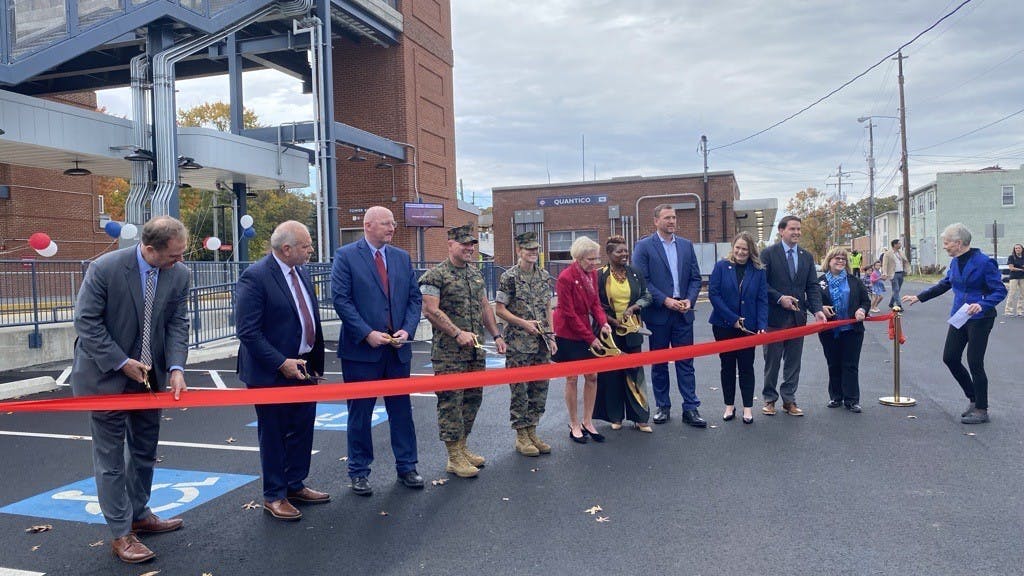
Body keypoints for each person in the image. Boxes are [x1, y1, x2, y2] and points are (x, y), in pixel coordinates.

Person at [71, 216, 190, 564]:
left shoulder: (179, 274)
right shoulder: (105, 269)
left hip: (149, 381)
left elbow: (177, 323)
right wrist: (122, 362)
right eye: (173, 255)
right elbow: (86, 323)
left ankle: (140, 513)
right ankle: (122, 534)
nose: (179, 261)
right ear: (150, 249)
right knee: (110, 459)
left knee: (143, 451)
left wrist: (178, 368)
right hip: (106, 376)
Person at [236, 220, 330, 521]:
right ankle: (275, 494)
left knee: (302, 428)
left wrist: (312, 363)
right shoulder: (256, 277)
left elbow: (308, 317)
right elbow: (248, 332)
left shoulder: (301, 273)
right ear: (286, 248)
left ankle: (295, 484)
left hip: (304, 369)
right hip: (271, 372)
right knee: (274, 433)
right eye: (306, 246)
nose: (311, 250)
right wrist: (281, 362)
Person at [331, 206, 423, 495]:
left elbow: (413, 299)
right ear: (368, 225)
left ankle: (407, 467)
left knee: (401, 412)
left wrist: (407, 330)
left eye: (393, 223)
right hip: (362, 352)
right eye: (385, 223)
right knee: (360, 413)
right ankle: (359, 471)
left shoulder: (401, 258)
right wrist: (366, 333)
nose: (391, 228)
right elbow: (341, 300)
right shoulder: (346, 256)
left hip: (397, 350)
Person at [420, 224, 507, 477]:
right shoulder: (435, 276)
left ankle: (462, 445)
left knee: (472, 399)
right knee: (451, 402)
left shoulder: (475, 275)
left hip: (475, 352)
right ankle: (453, 456)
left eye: (472, 245)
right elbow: (430, 311)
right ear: (450, 244)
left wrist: (497, 335)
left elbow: (485, 308)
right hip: (449, 354)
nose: (469, 249)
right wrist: (457, 333)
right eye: (464, 244)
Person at [903, 223, 1006, 424]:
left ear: (959, 243)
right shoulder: (955, 262)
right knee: (950, 357)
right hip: (961, 315)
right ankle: (973, 397)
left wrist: (982, 304)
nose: (945, 246)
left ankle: (981, 409)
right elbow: (944, 284)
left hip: (980, 318)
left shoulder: (984, 262)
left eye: (947, 243)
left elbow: (1000, 290)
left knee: (975, 361)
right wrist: (920, 297)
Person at [631, 204, 706, 427]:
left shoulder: (686, 245)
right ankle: (663, 406)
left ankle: (691, 408)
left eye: (673, 217)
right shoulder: (644, 247)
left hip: (683, 315)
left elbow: (695, 278)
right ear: (656, 221)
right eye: (667, 218)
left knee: (686, 363)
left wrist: (689, 300)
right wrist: (665, 300)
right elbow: (641, 280)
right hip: (658, 314)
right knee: (659, 363)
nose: (672, 221)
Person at [495, 231, 557, 456]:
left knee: (540, 387)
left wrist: (550, 335)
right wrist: (523, 323)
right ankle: (521, 435)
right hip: (519, 343)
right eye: (528, 249)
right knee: (520, 389)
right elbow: (499, 309)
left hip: (541, 342)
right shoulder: (509, 277)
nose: (533, 252)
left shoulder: (543, 276)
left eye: (535, 249)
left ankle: (533, 431)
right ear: (519, 251)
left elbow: (548, 307)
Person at [760, 215, 827, 416]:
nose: (797, 232)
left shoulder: (806, 257)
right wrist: (780, 298)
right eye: (792, 229)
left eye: (799, 229)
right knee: (772, 361)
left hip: (798, 319)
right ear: (781, 231)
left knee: (793, 362)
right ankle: (769, 399)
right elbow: (761, 284)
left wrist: (817, 310)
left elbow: (812, 287)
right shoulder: (768, 254)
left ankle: (789, 400)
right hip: (774, 318)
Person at [553, 235, 612, 443]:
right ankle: (574, 422)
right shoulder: (565, 278)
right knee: (572, 378)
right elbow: (569, 313)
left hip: (585, 329)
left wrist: (603, 323)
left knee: (592, 375)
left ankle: (588, 421)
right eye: (590, 259)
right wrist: (590, 338)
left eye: (596, 259)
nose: (595, 263)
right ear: (578, 258)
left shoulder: (593, 275)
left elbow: (595, 303)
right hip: (568, 332)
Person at [594, 235, 654, 433]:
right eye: (619, 251)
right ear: (609, 254)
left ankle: (640, 418)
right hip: (609, 332)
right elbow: (594, 304)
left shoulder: (635, 273)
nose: (624, 254)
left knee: (635, 372)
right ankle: (615, 416)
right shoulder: (600, 275)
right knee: (611, 375)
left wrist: (635, 307)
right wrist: (610, 320)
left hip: (632, 330)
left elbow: (647, 296)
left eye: (626, 251)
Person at [708, 232, 768, 424]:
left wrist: (762, 325)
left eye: (745, 249)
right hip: (724, 325)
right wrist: (733, 319)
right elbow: (714, 295)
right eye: (738, 247)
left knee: (746, 367)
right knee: (727, 366)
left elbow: (762, 299)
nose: (741, 252)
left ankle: (748, 408)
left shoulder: (758, 271)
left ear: (751, 251)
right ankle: (729, 406)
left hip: (748, 328)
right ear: (733, 247)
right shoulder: (721, 267)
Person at [817, 247, 872, 413]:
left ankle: (852, 399)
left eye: (843, 259)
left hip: (852, 330)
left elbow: (865, 301)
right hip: (829, 331)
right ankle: (836, 397)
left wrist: (862, 310)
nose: (840, 261)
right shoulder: (820, 282)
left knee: (850, 364)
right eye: (837, 258)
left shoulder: (854, 281)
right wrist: (820, 307)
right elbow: (811, 301)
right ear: (829, 260)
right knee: (833, 363)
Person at [882, 238, 910, 308]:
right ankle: (899, 305)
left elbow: (906, 262)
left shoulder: (901, 253)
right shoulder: (888, 254)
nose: (900, 245)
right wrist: (884, 273)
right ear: (895, 245)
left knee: (897, 290)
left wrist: (907, 270)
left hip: (901, 273)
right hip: (893, 274)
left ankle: (891, 303)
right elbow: (884, 264)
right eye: (899, 243)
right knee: (896, 289)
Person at [1005, 243, 1024, 317]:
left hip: (1022, 277)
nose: (1017, 249)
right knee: (1012, 293)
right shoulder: (1011, 257)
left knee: (1023, 294)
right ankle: (1008, 310)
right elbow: (1011, 268)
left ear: (1022, 249)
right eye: (1016, 248)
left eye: (1019, 248)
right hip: (1014, 277)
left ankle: (1020, 310)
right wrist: (1021, 269)